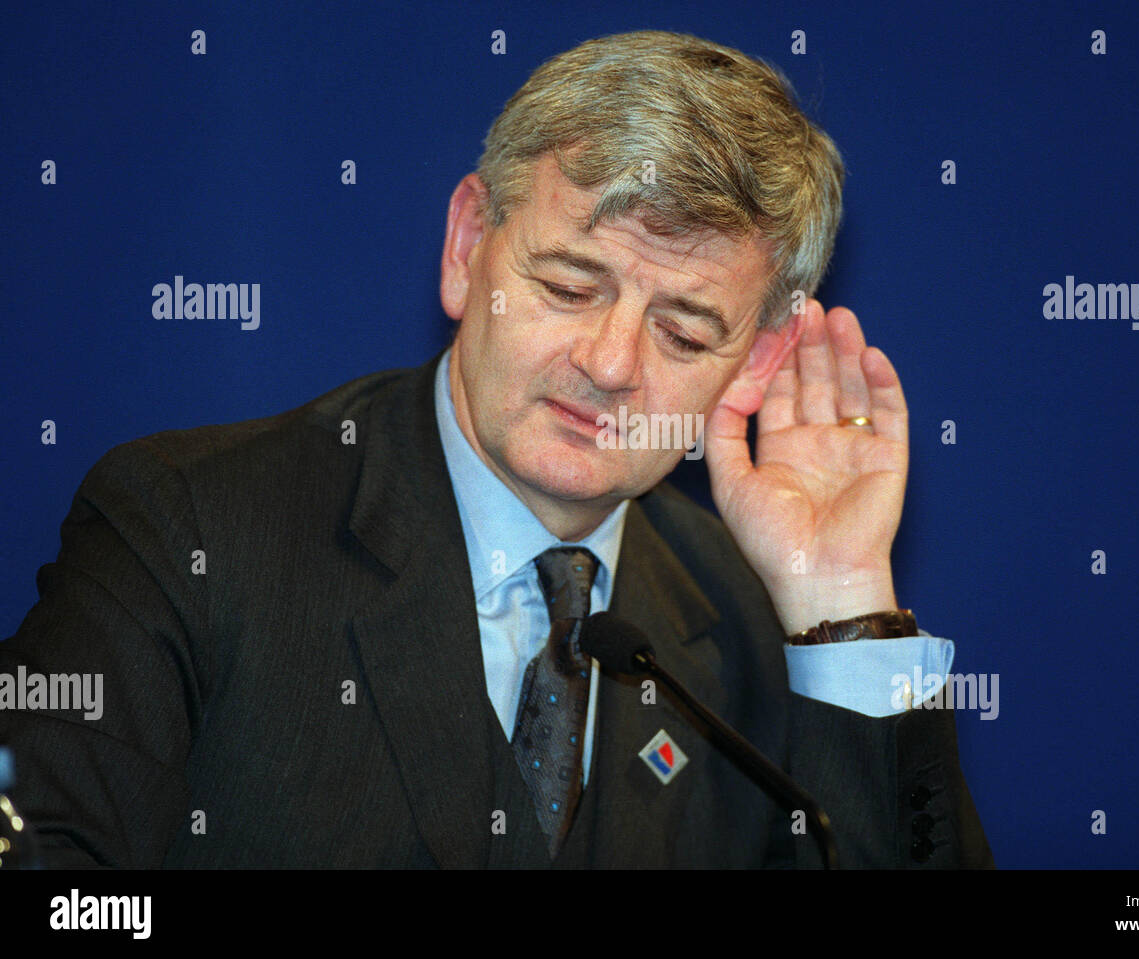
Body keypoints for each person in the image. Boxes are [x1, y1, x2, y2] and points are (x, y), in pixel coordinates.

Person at [0, 29, 993, 868]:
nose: (609, 362)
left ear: (756, 361)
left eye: (684, 331)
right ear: (468, 246)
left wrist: (840, 604)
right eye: (568, 285)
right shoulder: (188, 527)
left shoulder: (755, 621)